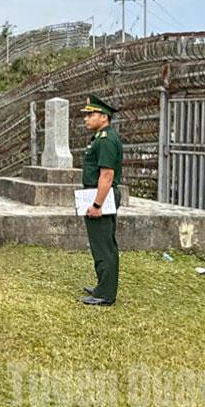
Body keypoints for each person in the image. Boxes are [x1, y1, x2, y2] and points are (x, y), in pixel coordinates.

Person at [80, 95, 124, 307]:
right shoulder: (100, 137)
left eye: (91, 114)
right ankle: (102, 285)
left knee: (104, 245)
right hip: (98, 195)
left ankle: (105, 293)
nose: (86, 119)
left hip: (102, 197)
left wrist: (97, 205)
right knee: (101, 243)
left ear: (104, 117)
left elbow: (106, 175)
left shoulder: (106, 140)